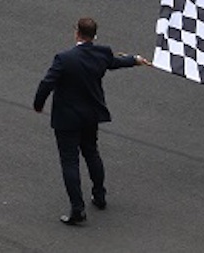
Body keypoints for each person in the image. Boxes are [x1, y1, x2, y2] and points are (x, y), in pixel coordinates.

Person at [34, 17, 152, 225]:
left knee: (70, 161)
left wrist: (38, 103)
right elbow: (115, 62)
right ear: (94, 35)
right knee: (91, 152)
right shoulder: (102, 53)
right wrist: (135, 59)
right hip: (90, 116)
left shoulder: (64, 58)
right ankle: (99, 195)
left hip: (67, 118)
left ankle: (77, 209)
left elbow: (47, 83)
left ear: (76, 32)